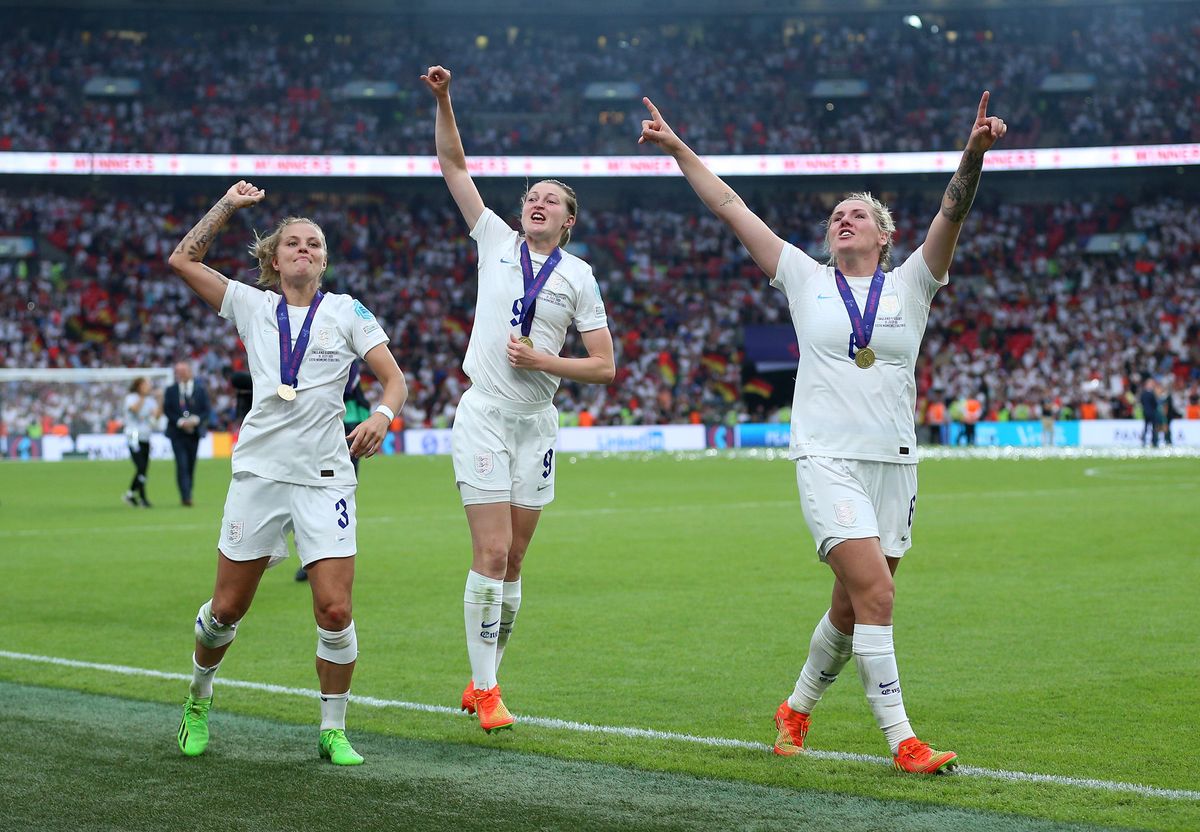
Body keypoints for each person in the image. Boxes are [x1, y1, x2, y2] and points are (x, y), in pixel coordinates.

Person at [640, 91, 1006, 774]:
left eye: (857, 214)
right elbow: (731, 207)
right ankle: (903, 740)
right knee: (879, 596)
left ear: (884, 235)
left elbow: (953, 209)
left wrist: (972, 153)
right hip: (826, 457)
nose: (842, 218)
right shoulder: (804, 278)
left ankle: (796, 710)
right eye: (836, 214)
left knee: (850, 605)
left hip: (894, 463)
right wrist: (678, 148)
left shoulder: (913, 284)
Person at [167, 180, 407, 765]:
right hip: (260, 475)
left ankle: (333, 728)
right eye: (294, 243)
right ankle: (199, 698)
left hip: (326, 476)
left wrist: (382, 414)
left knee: (335, 610)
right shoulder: (251, 304)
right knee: (226, 610)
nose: (305, 250)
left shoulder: (348, 311)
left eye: (315, 244)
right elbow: (182, 259)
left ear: (324, 259)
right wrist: (226, 205)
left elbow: (395, 380)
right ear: (274, 260)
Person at [422, 65, 616, 733]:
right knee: (494, 553)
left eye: (549, 200)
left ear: (566, 220)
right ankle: (487, 689)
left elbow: (605, 366)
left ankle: (485, 681)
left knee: (517, 560)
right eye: (530, 195)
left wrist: (544, 360)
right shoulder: (495, 241)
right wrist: (446, 100)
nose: (535, 203)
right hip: (484, 416)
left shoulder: (580, 278)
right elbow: (453, 164)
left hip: (538, 424)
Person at [296, 360, 375, 583]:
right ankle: (314, 557)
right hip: (331, 424)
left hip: (346, 424)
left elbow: (346, 386)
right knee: (319, 494)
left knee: (338, 494)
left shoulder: (344, 356)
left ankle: (326, 557)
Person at [163, 360, 211, 506]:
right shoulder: (171, 390)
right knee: (181, 464)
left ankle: (188, 491)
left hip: (194, 433)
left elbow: (206, 410)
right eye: (178, 371)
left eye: (183, 371)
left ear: (190, 372)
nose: (181, 374)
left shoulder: (200, 389)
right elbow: (168, 410)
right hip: (177, 433)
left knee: (190, 464)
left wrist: (196, 420)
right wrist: (180, 422)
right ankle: (186, 496)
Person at [122, 376, 161, 508]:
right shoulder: (131, 398)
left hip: (146, 436)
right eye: (145, 385)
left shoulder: (151, 400)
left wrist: (160, 400)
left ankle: (137, 496)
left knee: (144, 468)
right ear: (139, 386)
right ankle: (133, 494)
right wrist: (143, 397)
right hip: (133, 435)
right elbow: (134, 410)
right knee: (141, 467)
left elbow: (156, 417)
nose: (148, 387)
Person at [1139, 378, 1160, 448]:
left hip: (1145, 412)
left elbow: (1141, 402)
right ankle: (1154, 442)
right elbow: (1155, 404)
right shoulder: (1151, 394)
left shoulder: (1143, 394)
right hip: (1152, 413)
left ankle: (1144, 442)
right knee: (1153, 428)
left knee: (1145, 428)